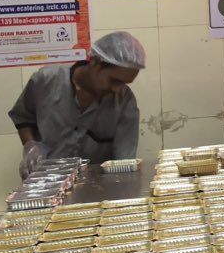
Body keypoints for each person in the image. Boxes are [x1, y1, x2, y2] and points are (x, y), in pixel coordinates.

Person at [9, 31, 146, 177]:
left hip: (96, 189)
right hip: (47, 181)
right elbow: (23, 117)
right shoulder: (46, 81)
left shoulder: (124, 102)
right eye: (115, 81)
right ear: (95, 62)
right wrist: (30, 145)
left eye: (125, 83)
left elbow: (124, 161)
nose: (118, 89)